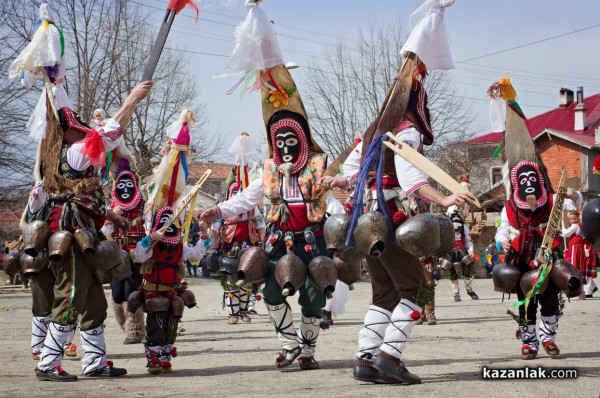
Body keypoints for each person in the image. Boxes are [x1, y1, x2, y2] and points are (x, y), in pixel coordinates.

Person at [320, 0, 471, 384]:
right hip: (389, 219)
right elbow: (411, 179)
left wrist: (339, 181)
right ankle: (389, 356)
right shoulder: (406, 131)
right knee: (417, 288)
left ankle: (365, 360)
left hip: (365, 222)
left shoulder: (372, 132)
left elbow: (352, 171)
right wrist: (446, 198)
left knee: (385, 294)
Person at [10, 3, 153, 381]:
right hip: (71, 238)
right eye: (80, 126)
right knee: (72, 296)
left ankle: (93, 361)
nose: (86, 129)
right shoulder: (75, 151)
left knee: (92, 302)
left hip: (83, 230)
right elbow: (109, 136)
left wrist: (109, 215)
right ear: (71, 131)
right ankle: (48, 363)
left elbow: (81, 194)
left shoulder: (69, 152)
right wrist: (132, 100)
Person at [202, 2, 335, 370]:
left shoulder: (318, 167)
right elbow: (248, 197)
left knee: (312, 297)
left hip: (311, 240)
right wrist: (217, 209)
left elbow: (334, 202)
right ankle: (289, 343)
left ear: (303, 140)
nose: (287, 148)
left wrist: (344, 218)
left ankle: (308, 351)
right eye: (281, 142)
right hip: (278, 240)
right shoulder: (270, 171)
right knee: (272, 291)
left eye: (293, 140)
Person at [492, 77, 583, 360]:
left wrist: (571, 192)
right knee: (525, 301)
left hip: (548, 257)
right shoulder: (510, 206)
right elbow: (501, 233)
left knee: (548, 298)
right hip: (521, 259)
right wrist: (502, 245)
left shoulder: (553, 198)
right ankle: (528, 342)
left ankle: (549, 338)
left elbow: (578, 200)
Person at [133, 206, 206, 374]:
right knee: (155, 325)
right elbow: (139, 255)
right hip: (154, 292)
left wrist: (204, 234)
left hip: (172, 292)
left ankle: (165, 358)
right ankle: (154, 359)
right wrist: (150, 238)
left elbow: (195, 254)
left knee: (172, 324)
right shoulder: (152, 245)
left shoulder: (180, 246)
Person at [101, 159, 146, 345]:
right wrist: (111, 218)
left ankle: (134, 331)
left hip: (136, 254)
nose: (125, 188)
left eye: (129, 184)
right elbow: (104, 234)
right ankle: (124, 325)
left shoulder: (144, 205)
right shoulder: (111, 208)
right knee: (117, 295)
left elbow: (151, 228)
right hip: (116, 256)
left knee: (132, 292)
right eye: (122, 184)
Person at [445, 207, 479, 302]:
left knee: (468, 266)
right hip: (450, 251)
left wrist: (471, 249)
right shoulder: (445, 228)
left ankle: (469, 290)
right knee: (450, 270)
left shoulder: (464, 227)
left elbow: (468, 240)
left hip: (462, 250)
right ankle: (456, 293)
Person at [561, 211, 597, 299]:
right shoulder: (581, 226)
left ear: (578, 218)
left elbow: (565, 233)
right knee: (579, 268)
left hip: (576, 249)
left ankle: (578, 291)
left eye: (574, 218)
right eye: (571, 219)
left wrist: (562, 225)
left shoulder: (575, 226)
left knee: (574, 268)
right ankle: (584, 291)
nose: (573, 220)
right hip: (578, 248)